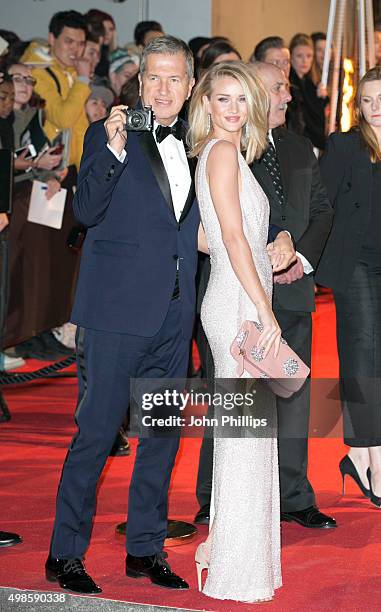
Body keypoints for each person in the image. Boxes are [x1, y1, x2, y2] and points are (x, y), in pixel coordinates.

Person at [44, 35, 199, 595]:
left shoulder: (197, 141)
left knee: (161, 436)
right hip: (115, 315)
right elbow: (83, 211)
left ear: (188, 85)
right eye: (152, 78)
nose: (162, 89)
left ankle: (146, 548)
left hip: (175, 317)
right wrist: (109, 150)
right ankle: (64, 554)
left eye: (173, 79)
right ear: (138, 84)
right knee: (96, 434)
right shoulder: (111, 136)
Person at [188, 60, 282, 603]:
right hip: (241, 304)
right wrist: (262, 307)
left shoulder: (226, 157)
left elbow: (207, 237)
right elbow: (230, 236)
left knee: (243, 433)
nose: (232, 109)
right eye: (222, 99)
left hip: (233, 295)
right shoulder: (222, 153)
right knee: (245, 436)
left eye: (240, 99)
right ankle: (233, 565)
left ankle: (224, 549)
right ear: (206, 105)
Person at [250, 61, 335, 528]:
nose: (287, 96)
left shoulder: (300, 147)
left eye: (285, 87)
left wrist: (298, 258)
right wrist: (267, 261)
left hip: (296, 290)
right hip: (242, 293)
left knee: (293, 394)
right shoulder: (228, 149)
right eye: (278, 88)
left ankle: (294, 496)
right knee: (238, 395)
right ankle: (215, 494)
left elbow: (322, 211)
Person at [315, 66, 381, 509]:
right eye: (368, 102)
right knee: (361, 353)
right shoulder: (343, 146)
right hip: (355, 262)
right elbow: (322, 204)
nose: (375, 110)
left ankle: (357, 455)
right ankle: (375, 456)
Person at [22, 10, 90, 173]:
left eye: (81, 44)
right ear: (52, 39)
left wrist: (86, 172)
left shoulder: (72, 72)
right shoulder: (35, 72)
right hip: (45, 170)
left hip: (71, 169)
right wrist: (83, 80)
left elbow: (80, 127)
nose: (75, 49)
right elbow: (63, 119)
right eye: (69, 41)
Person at [289, 33, 328, 152]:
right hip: (298, 145)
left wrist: (322, 98)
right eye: (299, 56)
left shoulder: (311, 83)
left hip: (312, 144)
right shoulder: (289, 84)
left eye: (309, 56)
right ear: (291, 57)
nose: (304, 61)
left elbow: (317, 118)